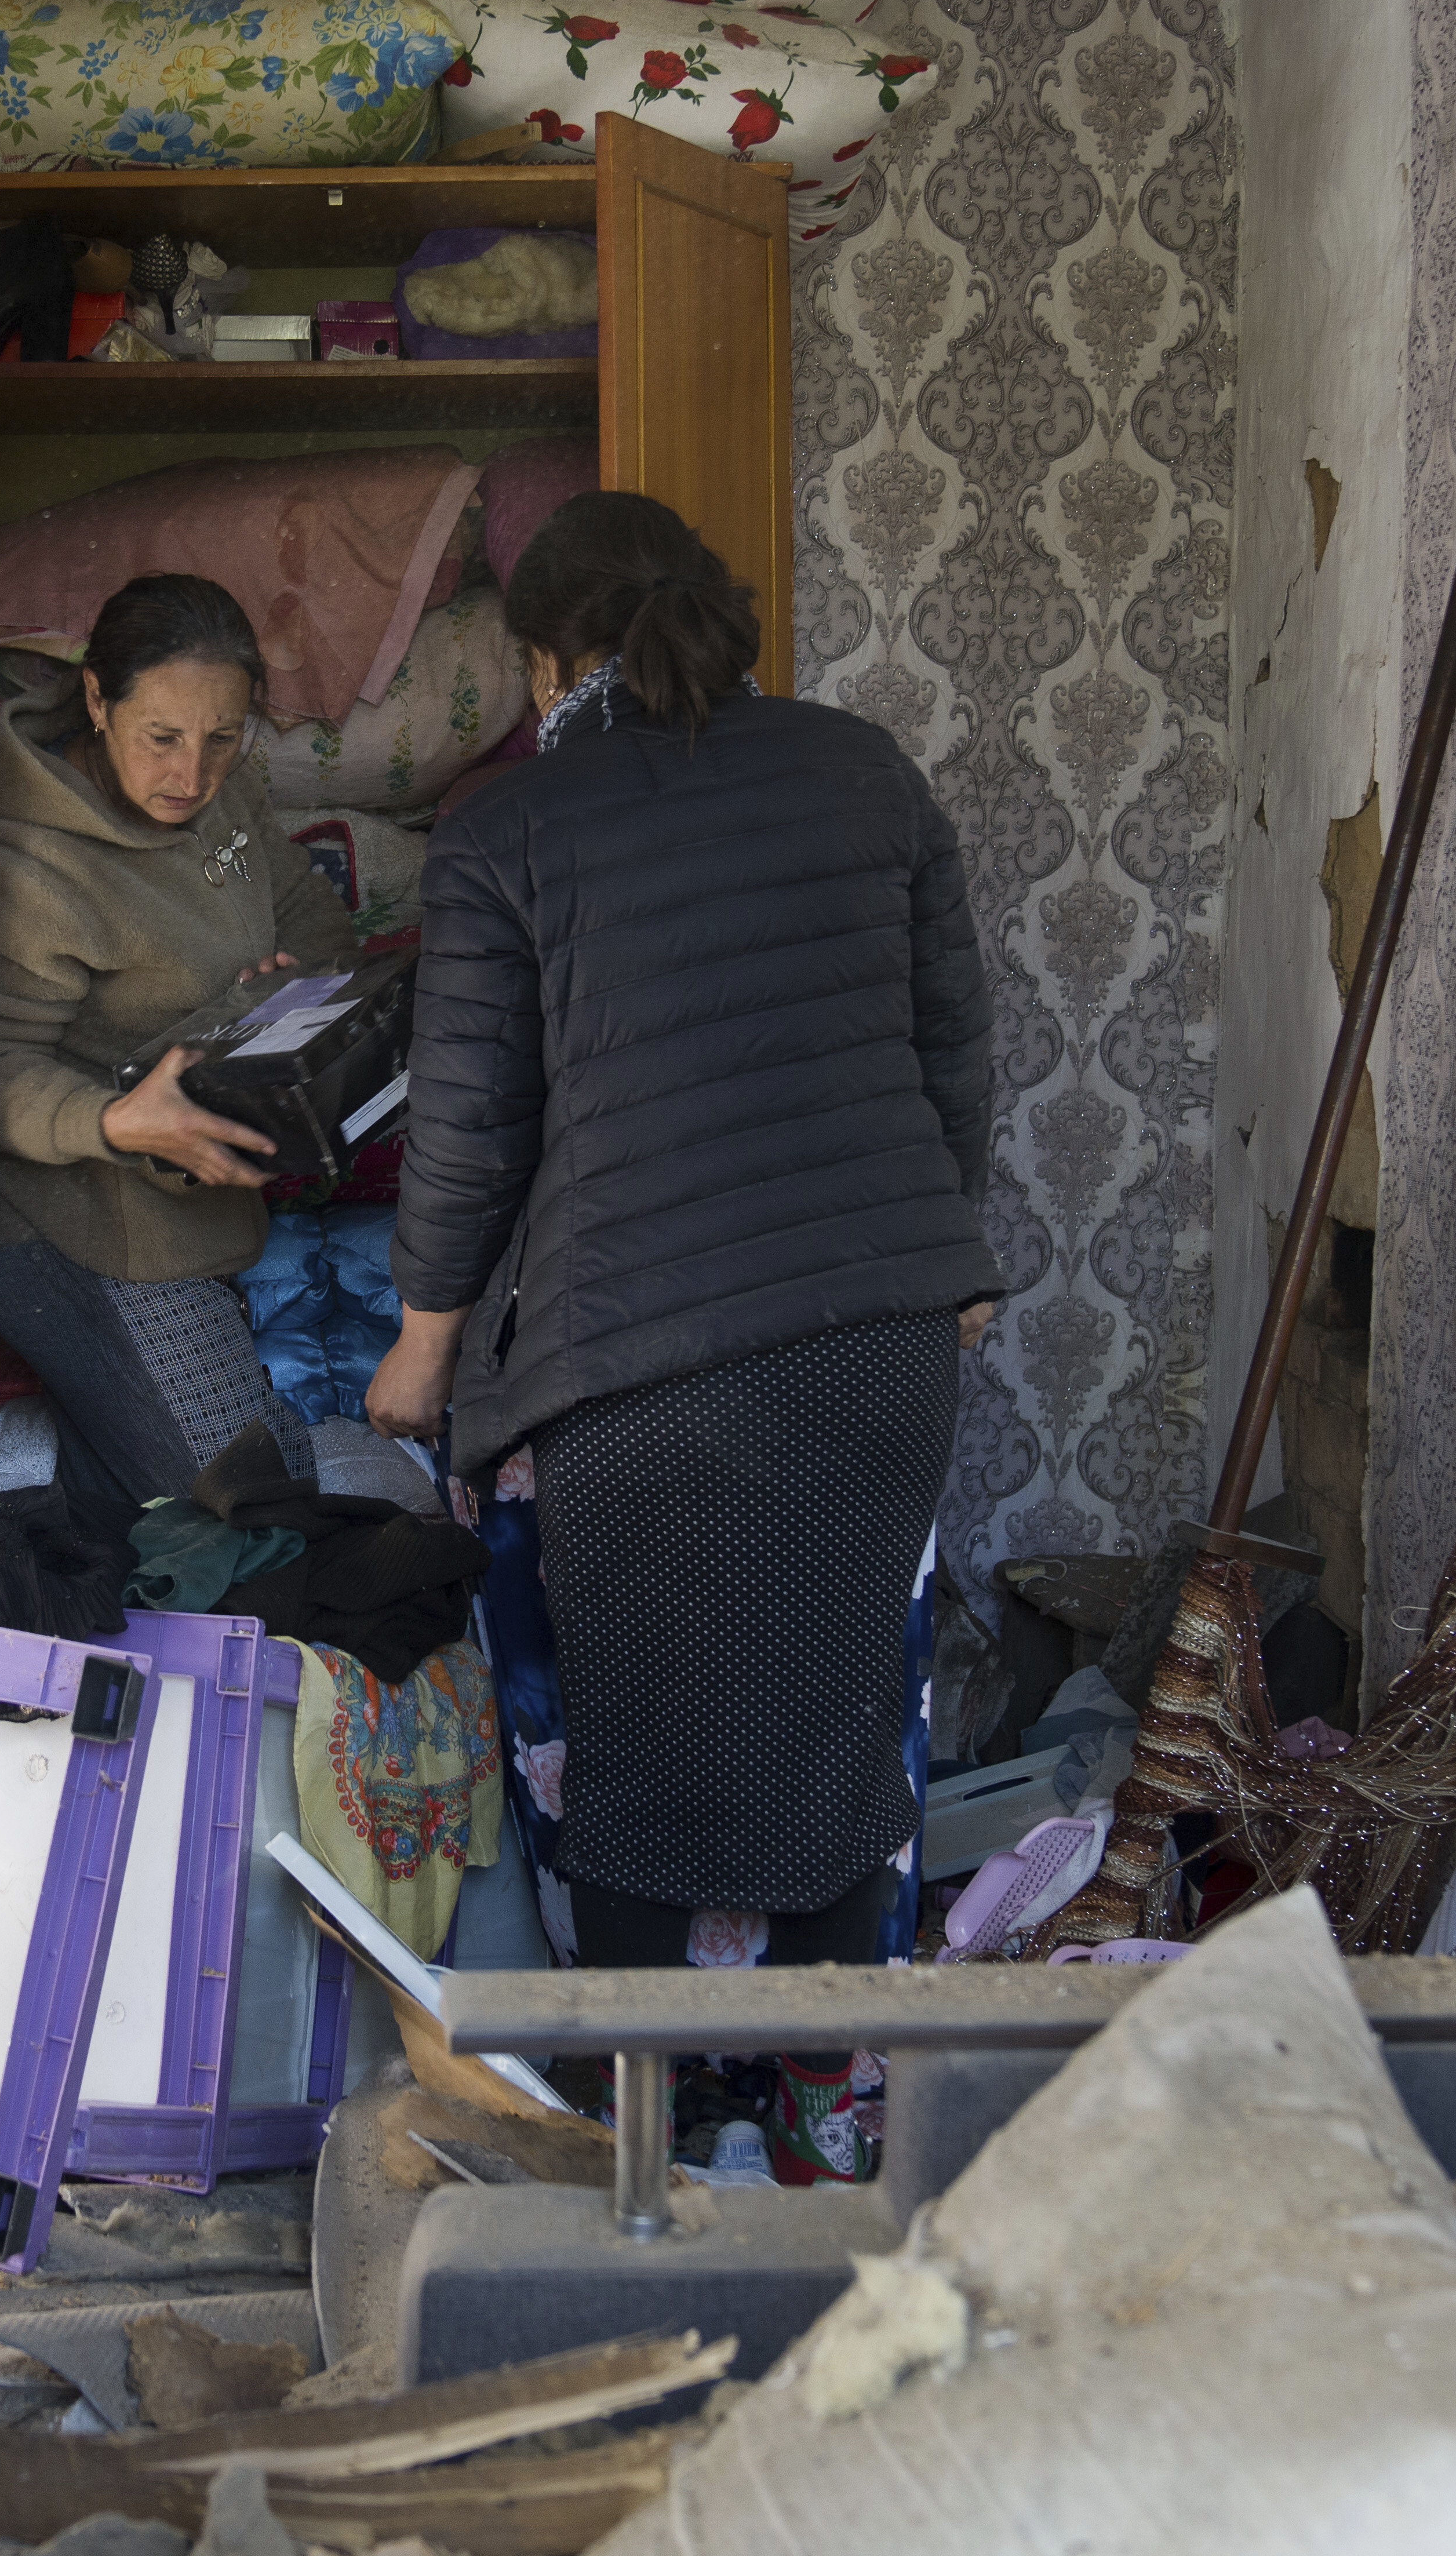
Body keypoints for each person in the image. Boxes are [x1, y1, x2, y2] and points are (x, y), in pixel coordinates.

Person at [365, 491, 995, 1969]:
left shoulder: (510, 829)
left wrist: (421, 1348)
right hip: (877, 1358)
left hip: (646, 1379)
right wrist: (935, 1259)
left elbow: (469, 1129)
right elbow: (951, 1052)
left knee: (643, 1767)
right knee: (841, 1741)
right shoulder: (866, 773)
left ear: (541, 666)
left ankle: (643, 2143)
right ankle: (833, 2134)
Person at [0, 572, 358, 1538]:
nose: (193, 774)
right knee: (246, 1509)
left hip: (192, 1209)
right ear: (97, 698)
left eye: (223, 738)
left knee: (253, 1502)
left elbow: (316, 920)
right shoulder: (23, 866)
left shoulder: (225, 802)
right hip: (69, 1220)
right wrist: (110, 1121)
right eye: (163, 738)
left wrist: (287, 975)